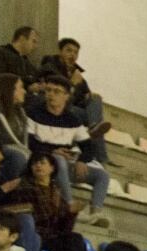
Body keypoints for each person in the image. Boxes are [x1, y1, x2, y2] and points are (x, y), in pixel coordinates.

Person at [26, 75, 110, 228]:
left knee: (102, 175)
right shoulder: (34, 113)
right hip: (41, 163)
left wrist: (82, 160)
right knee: (59, 160)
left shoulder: (73, 120)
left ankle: (95, 212)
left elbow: (88, 146)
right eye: (48, 90)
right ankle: (70, 206)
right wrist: (53, 151)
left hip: (64, 166)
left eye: (57, 91)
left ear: (66, 96)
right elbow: (30, 142)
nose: (51, 95)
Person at [15, 151, 87, 251]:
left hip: (50, 236)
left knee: (75, 238)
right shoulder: (24, 186)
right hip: (33, 234)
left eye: (42, 162)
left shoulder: (55, 191)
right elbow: (34, 215)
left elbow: (64, 228)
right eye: (35, 163)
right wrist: (65, 209)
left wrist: (71, 214)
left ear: (52, 168)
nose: (38, 166)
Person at [37, 38, 112, 166]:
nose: (72, 55)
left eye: (75, 52)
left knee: (96, 99)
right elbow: (56, 95)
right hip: (60, 107)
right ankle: (100, 153)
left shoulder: (76, 72)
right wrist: (72, 83)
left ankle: (94, 126)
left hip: (76, 109)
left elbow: (85, 94)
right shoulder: (50, 67)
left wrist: (89, 96)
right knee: (88, 118)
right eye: (69, 50)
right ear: (60, 51)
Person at [0, 73, 32, 181]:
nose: (24, 91)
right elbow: (6, 134)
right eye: (21, 87)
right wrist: (25, 151)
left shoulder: (20, 111)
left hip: (17, 148)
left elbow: (24, 138)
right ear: (10, 89)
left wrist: (27, 151)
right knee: (18, 157)